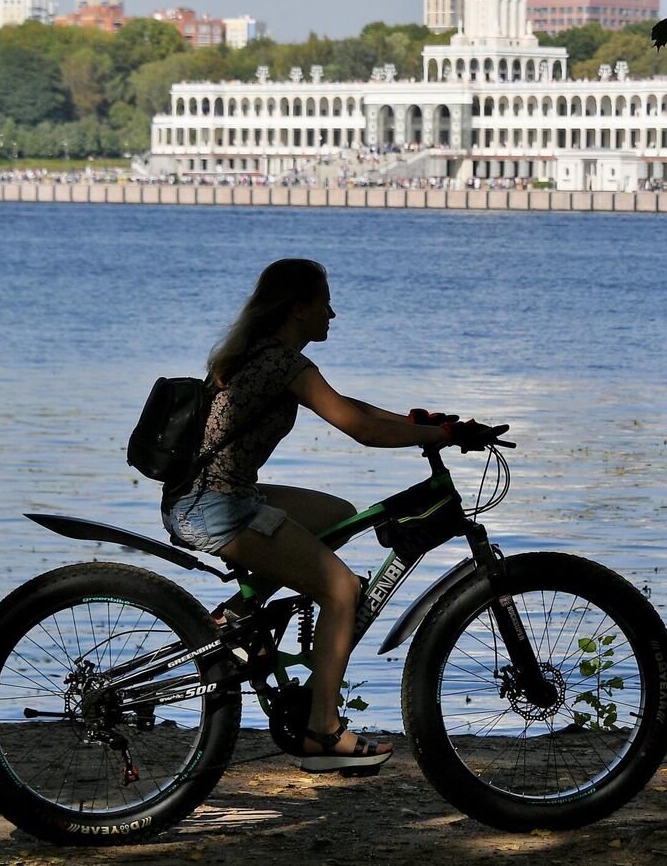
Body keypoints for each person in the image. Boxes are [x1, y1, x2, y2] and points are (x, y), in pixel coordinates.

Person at [163, 258, 503, 772]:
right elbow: (359, 429)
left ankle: (236, 616)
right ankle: (323, 732)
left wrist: (427, 421)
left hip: (216, 494)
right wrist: (443, 437)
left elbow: (350, 405)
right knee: (342, 590)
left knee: (337, 516)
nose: (333, 313)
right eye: (325, 303)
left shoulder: (267, 354)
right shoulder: (281, 362)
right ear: (298, 308)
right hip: (213, 506)